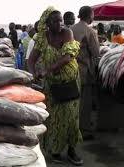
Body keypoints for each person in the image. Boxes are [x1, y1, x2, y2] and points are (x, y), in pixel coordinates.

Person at [28, 7, 83, 166]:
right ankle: (55, 150)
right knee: (53, 119)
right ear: (47, 23)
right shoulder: (41, 38)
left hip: (70, 83)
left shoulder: (67, 33)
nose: (60, 23)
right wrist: (33, 74)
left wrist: (47, 70)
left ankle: (72, 150)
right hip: (52, 86)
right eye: (55, 20)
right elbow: (31, 61)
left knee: (72, 117)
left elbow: (67, 57)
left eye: (60, 20)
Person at [71, 6, 100, 136]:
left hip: (70, 69)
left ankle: (71, 127)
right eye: (93, 15)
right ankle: (84, 130)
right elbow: (96, 52)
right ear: (90, 15)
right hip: (84, 71)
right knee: (85, 102)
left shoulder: (70, 29)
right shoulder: (90, 31)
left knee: (72, 101)